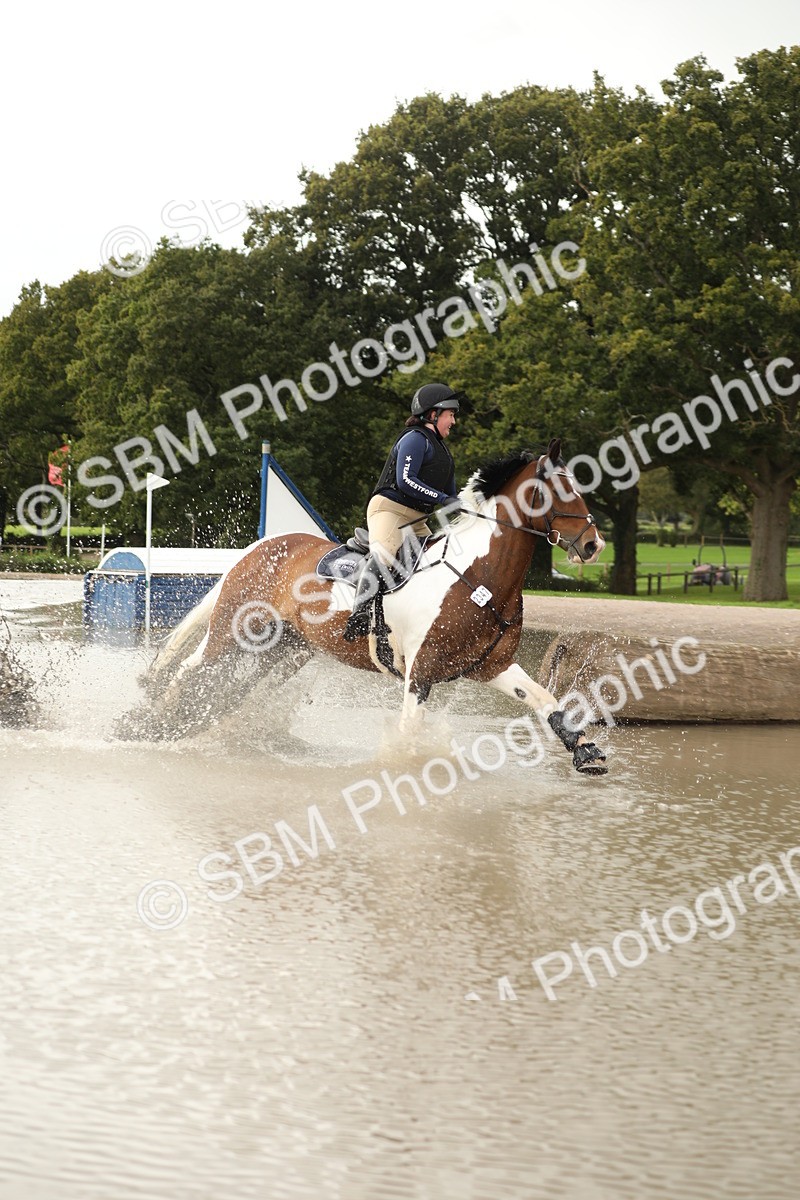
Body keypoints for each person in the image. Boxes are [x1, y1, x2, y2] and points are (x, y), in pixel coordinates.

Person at [343, 382, 463, 640]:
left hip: (417, 519)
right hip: (389, 510)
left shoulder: (444, 453)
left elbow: (452, 496)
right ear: (433, 415)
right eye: (450, 414)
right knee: (385, 556)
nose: (453, 421)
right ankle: (359, 613)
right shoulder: (415, 439)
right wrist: (443, 499)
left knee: (437, 558)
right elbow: (405, 481)